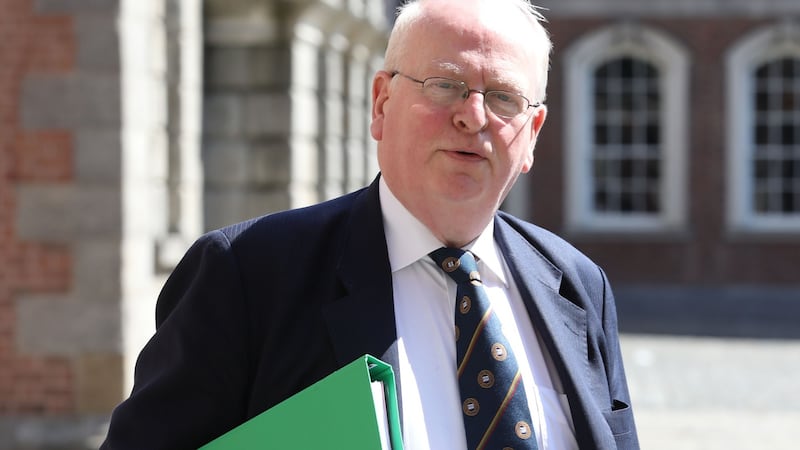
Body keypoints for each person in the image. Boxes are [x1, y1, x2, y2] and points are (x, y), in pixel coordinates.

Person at [101, 0, 639, 448]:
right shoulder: (247, 276)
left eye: (502, 97)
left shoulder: (577, 285)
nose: (473, 116)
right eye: (445, 84)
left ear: (533, 132)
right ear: (381, 102)